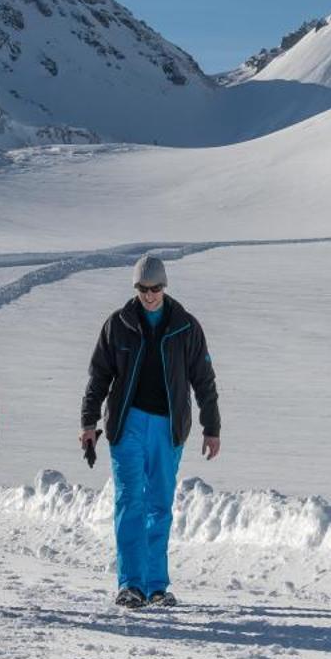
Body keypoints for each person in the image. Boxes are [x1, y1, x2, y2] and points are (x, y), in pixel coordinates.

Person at [80, 254, 221, 609]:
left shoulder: (186, 326)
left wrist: (212, 427)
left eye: (155, 288)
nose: (149, 295)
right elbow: (99, 376)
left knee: (160, 504)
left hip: (168, 428)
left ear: (165, 286)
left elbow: (203, 380)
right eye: (143, 289)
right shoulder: (118, 324)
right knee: (130, 501)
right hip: (127, 424)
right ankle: (131, 584)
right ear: (135, 288)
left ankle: (157, 585)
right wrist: (88, 421)